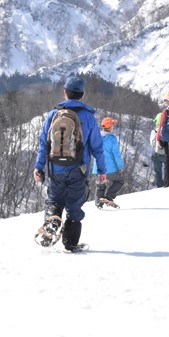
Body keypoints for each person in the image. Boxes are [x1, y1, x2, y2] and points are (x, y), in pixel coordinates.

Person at [33, 75, 107, 252]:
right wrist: (102, 170)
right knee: (74, 207)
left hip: (55, 168)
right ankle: (70, 243)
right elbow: (97, 146)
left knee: (54, 200)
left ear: (65, 93)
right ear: (82, 95)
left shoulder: (53, 115)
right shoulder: (88, 117)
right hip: (78, 169)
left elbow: (44, 143)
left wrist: (39, 167)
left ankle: (52, 222)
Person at [93, 117, 125, 208]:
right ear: (110, 127)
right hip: (109, 169)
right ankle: (108, 197)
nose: (113, 127)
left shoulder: (96, 138)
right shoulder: (112, 139)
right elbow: (116, 155)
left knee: (100, 185)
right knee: (119, 181)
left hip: (98, 168)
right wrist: (120, 166)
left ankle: (98, 203)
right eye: (113, 125)